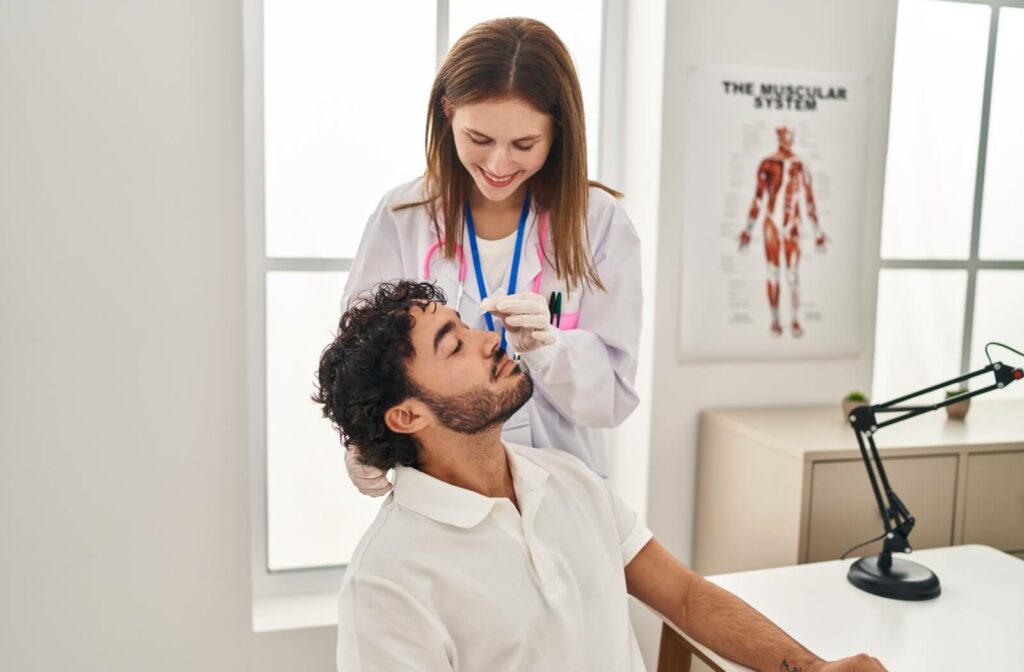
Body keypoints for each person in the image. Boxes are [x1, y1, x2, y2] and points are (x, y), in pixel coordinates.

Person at [314, 280, 887, 672]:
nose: (492, 338)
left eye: (470, 326)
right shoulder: (386, 585)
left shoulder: (568, 481)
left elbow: (685, 597)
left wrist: (812, 668)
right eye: (455, 345)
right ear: (408, 415)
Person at [340, 17, 641, 496]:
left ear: (558, 131)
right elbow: (367, 357)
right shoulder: (403, 217)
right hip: (443, 485)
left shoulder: (597, 223)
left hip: (564, 486)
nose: (499, 165)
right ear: (447, 111)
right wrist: (364, 436)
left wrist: (549, 349)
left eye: (524, 144)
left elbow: (611, 399)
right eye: (479, 140)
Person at [738, 125, 827, 338]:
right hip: (771, 223)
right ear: (778, 138)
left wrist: (817, 232)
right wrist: (748, 229)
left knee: (792, 274)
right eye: (783, 136)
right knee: (773, 272)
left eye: (789, 136)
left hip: (793, 224)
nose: (786, 140)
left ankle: (795, 320)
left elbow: (809, 200)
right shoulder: (767, 164)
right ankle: (775, 320)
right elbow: (758, 198)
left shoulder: (800, 164)